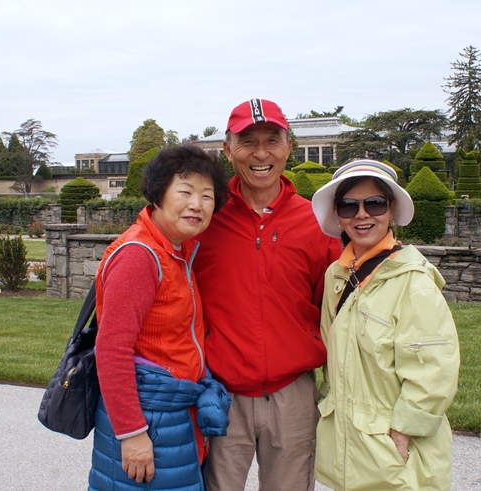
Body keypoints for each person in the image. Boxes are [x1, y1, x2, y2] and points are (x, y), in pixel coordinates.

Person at [193, 98, 342, 491]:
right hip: (221, 394)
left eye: (272, 140)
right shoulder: (205, 219)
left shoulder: (317, 223)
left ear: (288, 146)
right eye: (248, 141)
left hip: (292, 394)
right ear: (227, 150)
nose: (261, 153)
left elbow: (335, 308)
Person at [88, 145, 232, 491]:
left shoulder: (176, 251)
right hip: (149, 420)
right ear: (158, 194)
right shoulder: (140, 256)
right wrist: (132, 432)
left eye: (207, 196)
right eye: (185, 192)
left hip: (171, 416)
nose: (197, 204)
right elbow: (111, 350)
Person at [310, 160, 460, 490]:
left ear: (391, 209)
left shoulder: (414, 282)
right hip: (349, 446)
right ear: (338, 215)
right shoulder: (336, 275)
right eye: (349, 206)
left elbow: (433, 369)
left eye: (374, 203)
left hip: (394, 450)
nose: (361, 215)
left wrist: (403, 432)